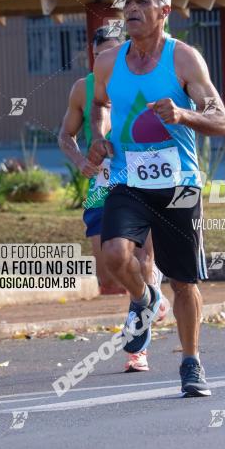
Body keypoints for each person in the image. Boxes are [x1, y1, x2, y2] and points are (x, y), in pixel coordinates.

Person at [87, 0, 225, 397]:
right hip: (127, 179)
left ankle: (191, 362)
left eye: (144, 1)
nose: (131, 7)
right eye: (128, 0)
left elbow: (222, 121)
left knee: (185, 281)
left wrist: (184, 116)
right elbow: (98, 106)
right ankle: (146, 298)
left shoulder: (184, 60)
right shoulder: (108, 62)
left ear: (164, 12)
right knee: (114, 253)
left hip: (179, 183)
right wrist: (98, 136)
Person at [58, 25, 168, 373]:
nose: (110, 58)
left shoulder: (145, 78)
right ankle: (149, 296)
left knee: (143, 259)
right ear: (95, 57)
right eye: (103, 53)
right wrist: (80, 162)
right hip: (104, 185)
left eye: (116, 51)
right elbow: (65, 135)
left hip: (143, 179)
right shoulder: (83, 89)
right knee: (108, 272)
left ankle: (139, 347)